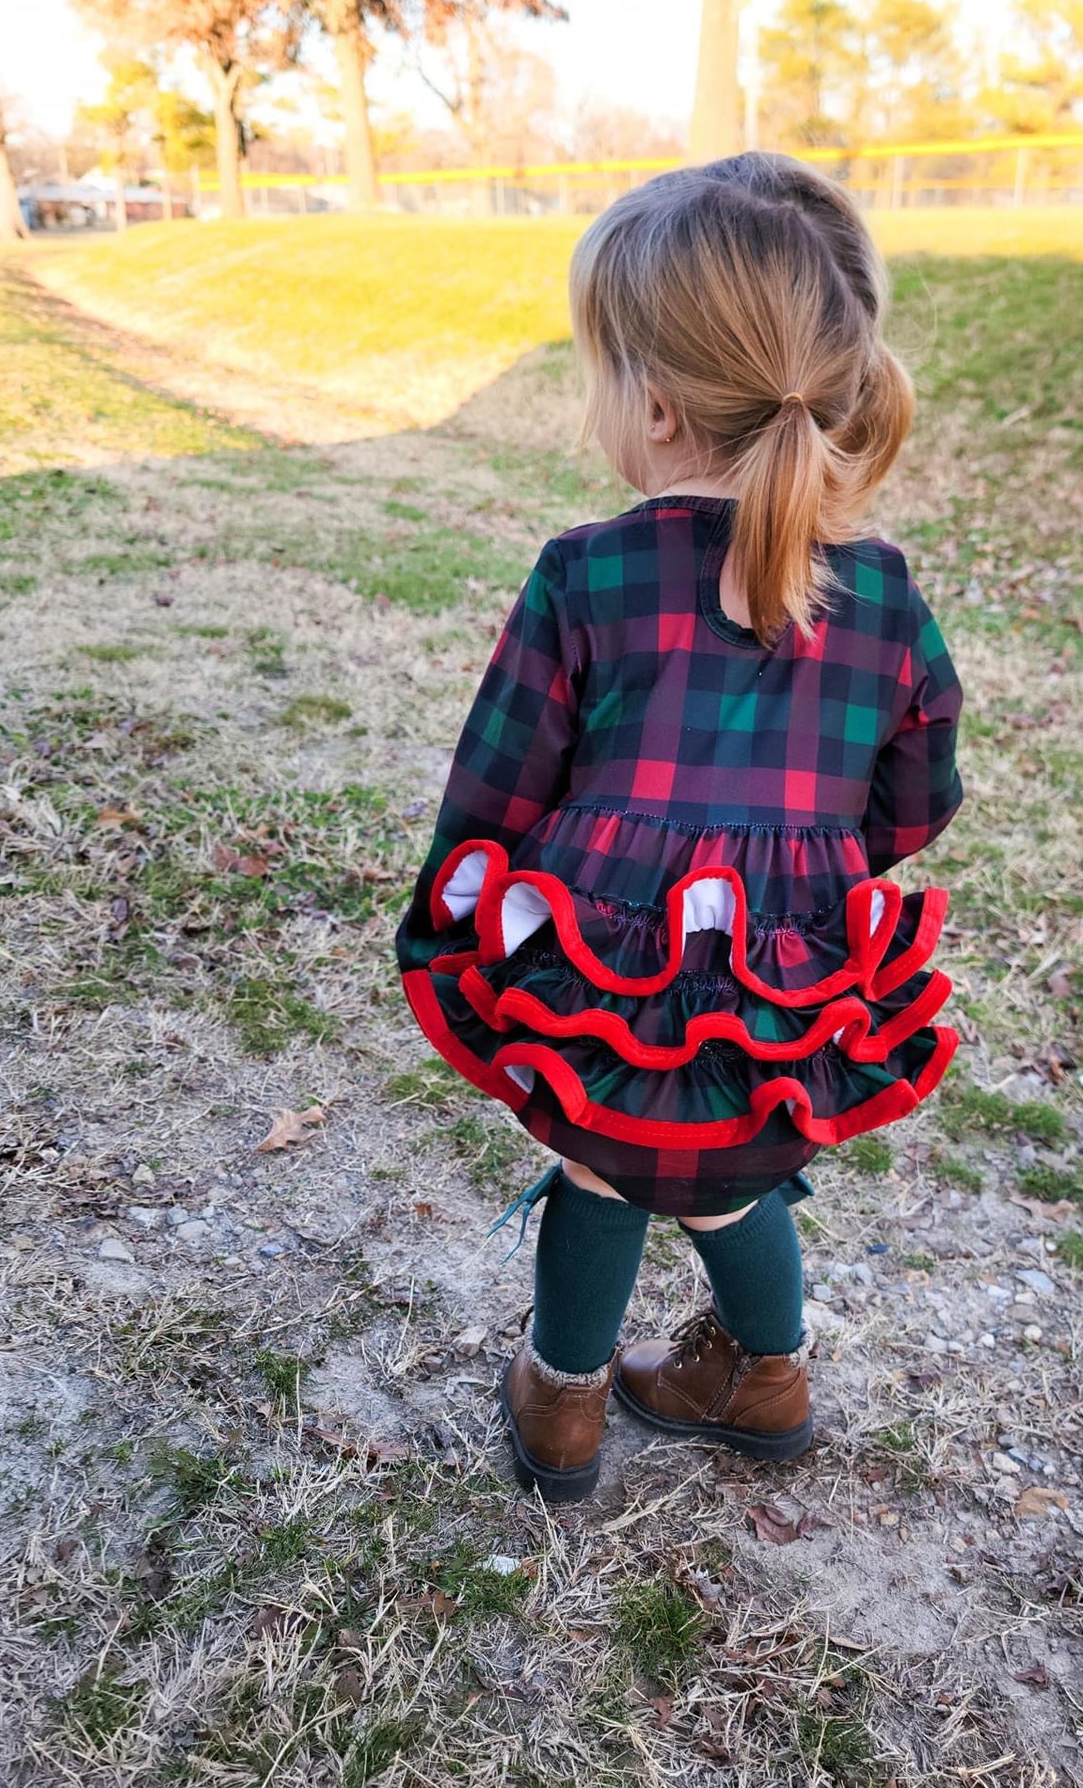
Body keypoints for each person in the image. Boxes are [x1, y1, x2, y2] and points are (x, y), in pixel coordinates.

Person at [396, 152, 963, 1503]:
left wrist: (448, 922)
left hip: (605, 986)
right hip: (785, 989)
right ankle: (766, 1376)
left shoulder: (583, 574)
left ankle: (560, 1410)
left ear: (652, 405)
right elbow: (917, 796)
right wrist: (808, 883)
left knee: (599, 1164)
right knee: (723, 1179)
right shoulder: (878, 593)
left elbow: (498, 791)